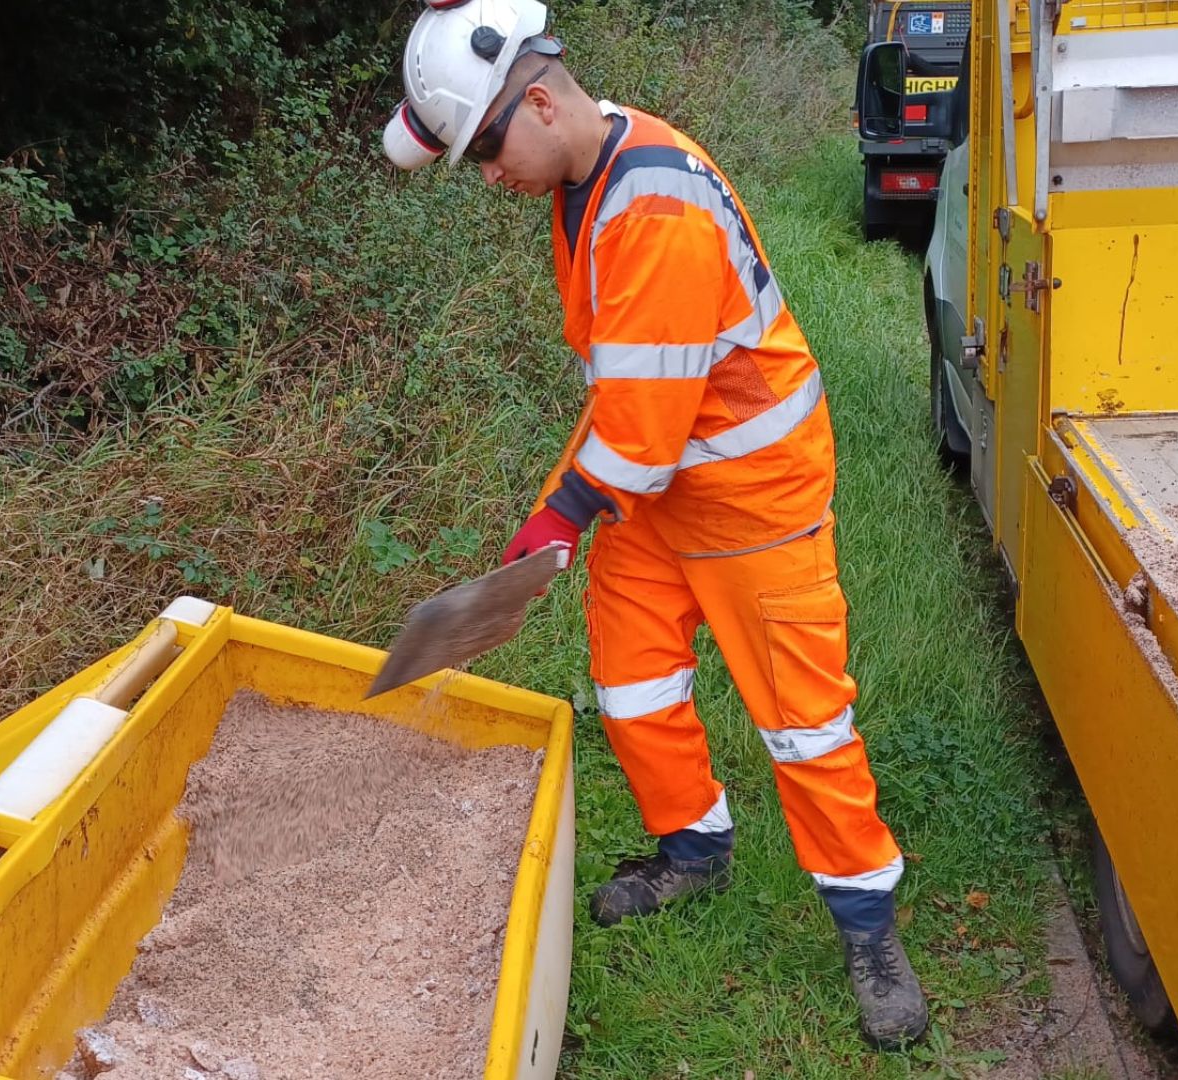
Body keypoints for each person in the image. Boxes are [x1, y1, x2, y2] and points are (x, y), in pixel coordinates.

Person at [381, 0, 928, 1050]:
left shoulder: (652, 212)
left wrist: (562, 514)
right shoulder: (589, 168)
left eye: (488, 148)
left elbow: (643, 425)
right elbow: (628, 389)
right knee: (632, 682)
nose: (490, 176)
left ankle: (868, 926)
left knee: (804, 721)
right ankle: (693, 849)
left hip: (749, 498)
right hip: (656, 489)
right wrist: (559, 509)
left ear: (539, 100)